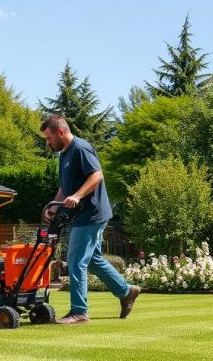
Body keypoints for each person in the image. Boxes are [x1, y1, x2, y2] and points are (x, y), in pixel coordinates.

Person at [40, 115, 141, 324]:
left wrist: (77, 196)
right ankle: (126, 291)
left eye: (49, 138)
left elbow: (96, 175)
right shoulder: (63, 155)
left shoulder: (81, 148)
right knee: (93, 261)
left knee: (76, 260)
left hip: (91, 214)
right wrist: (55, 205)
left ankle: (79, 311)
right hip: (81, 215)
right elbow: (64, 188)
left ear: (61, 132)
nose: (47, 143)